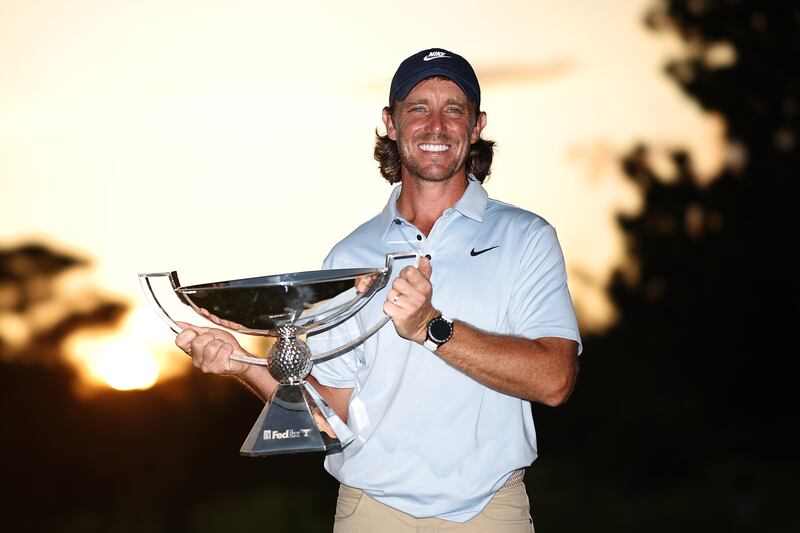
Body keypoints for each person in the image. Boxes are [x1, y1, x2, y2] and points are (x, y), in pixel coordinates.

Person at [176, 47, 582, 532]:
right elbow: (330, 418)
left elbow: (555, 380)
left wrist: (432, 329)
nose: (436, 125)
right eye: (418, 108)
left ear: (476, 127)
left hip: (489, 512)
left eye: (454, 109)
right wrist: (245, 362)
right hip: (368, 513)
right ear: (391, 123)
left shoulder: (526, 237)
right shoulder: (348, 258)